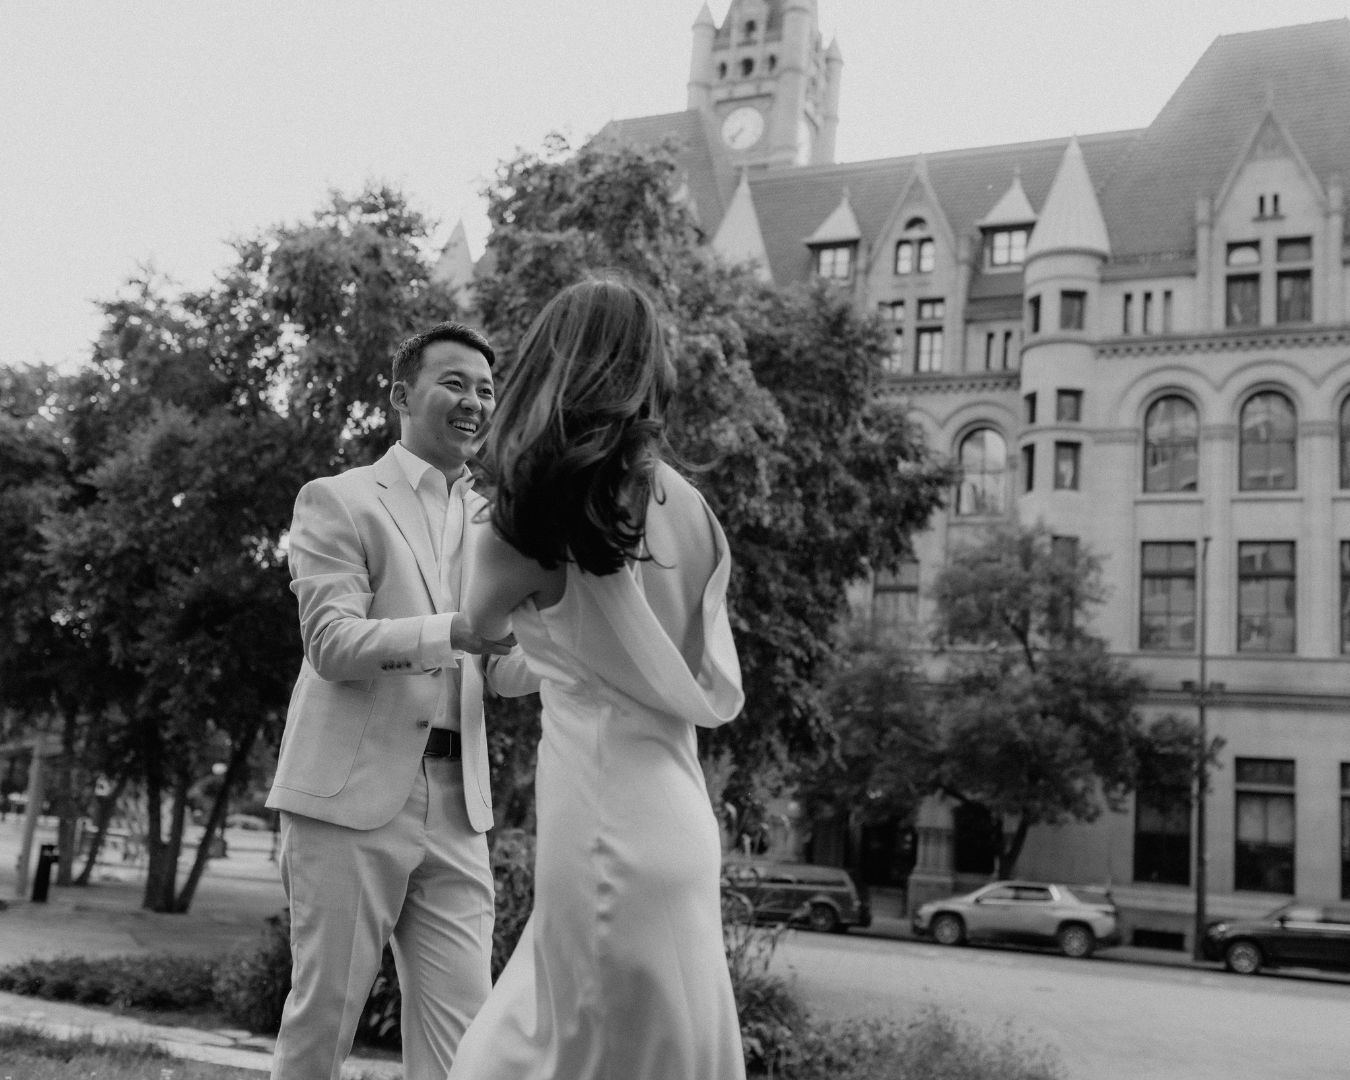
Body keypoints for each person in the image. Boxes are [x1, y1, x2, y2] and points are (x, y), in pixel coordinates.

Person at [447, 277, 747, 1080]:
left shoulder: (526, 521)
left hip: (599, 820)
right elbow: (666, 657)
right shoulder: (690, 509)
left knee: (557, 1048)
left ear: (552, 363)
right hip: (679, 813)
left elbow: (478, 629)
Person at [266, 322, 536, 1080]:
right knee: (324, 1019)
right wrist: (456, 629)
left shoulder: (497, 524)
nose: (474, 402)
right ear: (400, 395)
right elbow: (332, 644)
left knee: (466, 1044)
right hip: (349, 797)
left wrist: (567, 648)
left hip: (460, 808)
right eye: (454, 383)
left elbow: (504, 673)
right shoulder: (339, 500)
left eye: (486, 389)